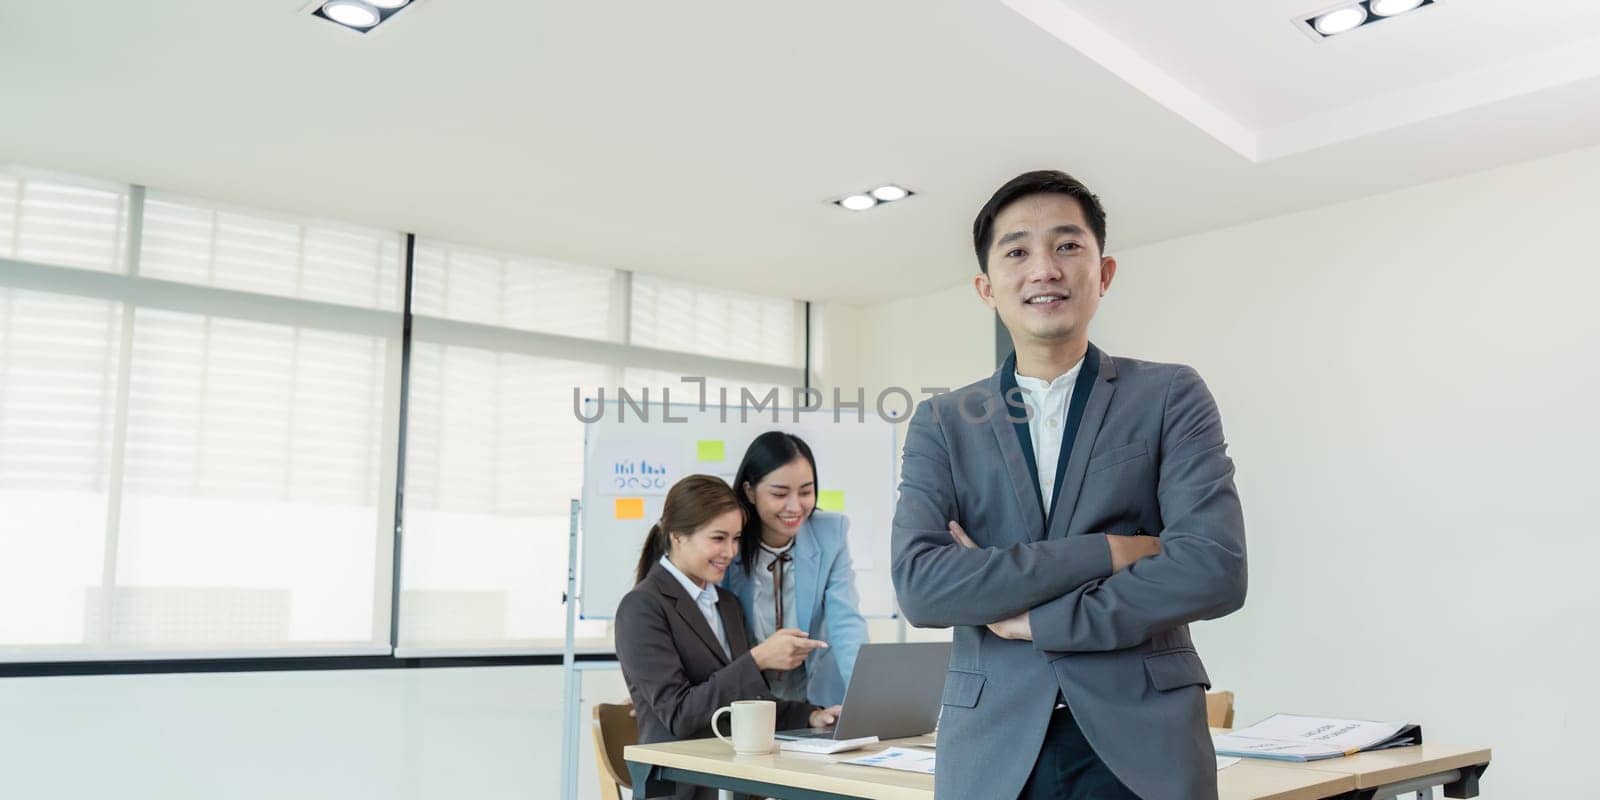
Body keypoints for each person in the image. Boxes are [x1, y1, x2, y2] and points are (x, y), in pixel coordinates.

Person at [890, 170, 1248, 800]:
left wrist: (1038, 621)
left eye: (1067, 246)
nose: (1044, 269)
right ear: (986, 287)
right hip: (993, 753)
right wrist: (1108, 551)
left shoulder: (1169, 395)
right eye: (1017, 251)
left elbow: (1213, 568)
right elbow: (923, 586)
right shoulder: (944, 422)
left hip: (1144, 746)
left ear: (1103, 273)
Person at [615, 474, 842, 800]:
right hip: (683, 789)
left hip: (733, 783)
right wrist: (758, 659)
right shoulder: (641, 608)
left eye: (735, 539)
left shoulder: (727, 604)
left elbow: (748, 705)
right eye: (718, 538)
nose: (731, 552)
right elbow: (679, 715)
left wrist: (811, 715)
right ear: (678, 536)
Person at [723, 432, 868, 707]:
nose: (795, 506)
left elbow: (846, 623)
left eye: (806, 491)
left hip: (812, 696)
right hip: (744, 699)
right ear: (749, 491)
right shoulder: (729, 539)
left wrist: (867, 699)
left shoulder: (830, 533)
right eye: (779, 494)